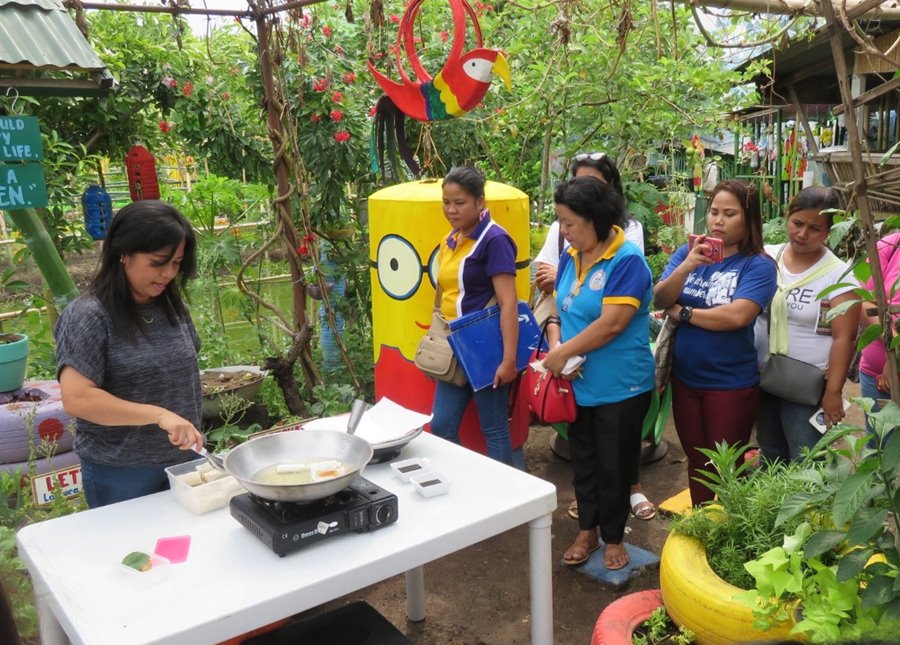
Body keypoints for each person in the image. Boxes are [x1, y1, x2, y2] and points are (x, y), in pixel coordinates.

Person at [55, 200, 205, 508]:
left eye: (176, 263)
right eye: (157, 262)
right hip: (121, 473)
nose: (168, 274)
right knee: (132, 556)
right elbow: (77, 398)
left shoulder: (170, 307)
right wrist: (159, 415)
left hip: (183, 464)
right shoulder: (89, 315)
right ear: (123, 254)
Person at [534, 151, 656, 522]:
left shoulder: (628, 261)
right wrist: (556, 343)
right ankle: (588, 530)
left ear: (596, 219)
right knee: (583, 462)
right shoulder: (572, 255)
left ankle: (614, 538)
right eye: (561, 222)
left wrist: (562, 353)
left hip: (620, 385)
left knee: (614, 468)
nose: (564, 231)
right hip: (579, 382)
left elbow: (612, 324)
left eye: (570, 224)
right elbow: (559, 307)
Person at [654, 179, 777, 506]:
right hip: (685, 380)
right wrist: (688, 266)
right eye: (714, 212)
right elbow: (658, 298)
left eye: (730, 213)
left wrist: (683, 312)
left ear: (749, 219)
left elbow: (737, 316)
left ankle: (729, 533)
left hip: (730, 385)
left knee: (725, 468)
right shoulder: (688, 254)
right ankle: (703, 522)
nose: (718, 220)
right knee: (697, 463)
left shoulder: (759, 265)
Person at [754, 186, 859, 462]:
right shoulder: (766, 258)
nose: (802, 234)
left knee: (806, 459)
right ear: (787, 216)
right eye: (797, 223)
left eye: (815, 228)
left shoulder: (839, 276)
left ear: (829, 232)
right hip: (762, 377)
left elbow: (843, 339)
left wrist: (833, 393)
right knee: (770, 454)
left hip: (807, 389)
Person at [429, 167, 519, 465]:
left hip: (486, 349)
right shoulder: (452, 237)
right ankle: (466, 485)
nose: (451, 210)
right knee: (442, 425)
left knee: (493, 430)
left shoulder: (494, 240)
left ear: (480, 202)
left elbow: (508, 302)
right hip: (454, 345)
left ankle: (505, 502)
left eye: (459, 203)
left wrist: (508, 360)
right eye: (446, 202)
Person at [859, 230, 900, 431]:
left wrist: (896, 361)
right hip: (876, 377)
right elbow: (865, 302)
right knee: (878, 448)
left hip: (886, 372)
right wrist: (893, 349)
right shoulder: (890, 245)